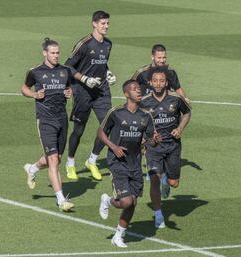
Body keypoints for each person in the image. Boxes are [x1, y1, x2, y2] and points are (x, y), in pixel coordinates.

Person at [98, 80, 161, 247]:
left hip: (135, 164)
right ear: (127, 94)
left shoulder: (146, 116)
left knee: (133, 202)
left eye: (139, 89)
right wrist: (113, 146)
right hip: (117, 163)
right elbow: (101, 132)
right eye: (134, 89)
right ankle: (108, 200)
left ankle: (118, 236)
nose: (138, 91)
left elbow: (149, 142)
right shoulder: (116, 112)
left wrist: (155, 141)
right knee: (125, 201)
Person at [21, 38, 74, 211]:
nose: (56, 56)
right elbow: (24, 88)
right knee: (53, 160)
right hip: (45, 120)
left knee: (56, 158)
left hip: (62, 118)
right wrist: (34, 95)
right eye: (52, 53)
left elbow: (69, 88)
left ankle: (33, 169)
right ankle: (61, 200)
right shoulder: (35, 71)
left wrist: (69, 92)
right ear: (45, 53)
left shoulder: (65, 71)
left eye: (58, 52)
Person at [64, 10, 116, 181]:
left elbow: (102, 63)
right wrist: (84, 78)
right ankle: (70, 163)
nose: (106, 26)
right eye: (103, 23)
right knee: (78, 130)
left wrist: (108, 73)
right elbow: (68, 67)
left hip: (101, 91)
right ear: (94, 23)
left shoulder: (108, 44)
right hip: (82, 92)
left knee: (108, 125)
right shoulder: (84, 43)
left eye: (107, 23)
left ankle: (92, 160)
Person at [140, 66, 191, 228]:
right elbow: (137, 121)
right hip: (153, 147)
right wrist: (144, 140)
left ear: (167, 82)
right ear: (150, 82)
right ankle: (158, 214)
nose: (158, 84)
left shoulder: (176, 99)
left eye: (162, 81)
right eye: (155, 81)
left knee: (174, 182)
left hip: (173, 146)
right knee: (154, 179)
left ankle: (166, 181)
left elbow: (187, 113)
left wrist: (180, 129)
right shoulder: (144, 101)